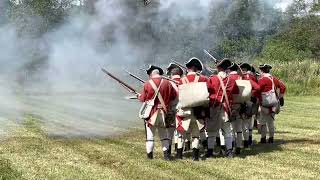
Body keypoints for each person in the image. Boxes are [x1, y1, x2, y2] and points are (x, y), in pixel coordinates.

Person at [139, 65, 178, 160]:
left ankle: (150, 157)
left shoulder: (147, 84)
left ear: (151, 74)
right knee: (164, 135)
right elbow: (173, 96)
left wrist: (138, 96)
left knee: (150, 136)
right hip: (164, 112)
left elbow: (143, 99)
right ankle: (166, 156)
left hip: (152, 113)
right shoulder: (168, 83)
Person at [175, 57, 208, 161]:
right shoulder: (203, 79)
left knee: (181, 135)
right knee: (195, 135)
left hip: (185, 112)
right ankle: (195, 156)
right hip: (198, 111)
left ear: (189, 68)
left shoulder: (181, 81)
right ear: (196, 68)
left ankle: (179, 155)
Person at [207, 59, 235, 158]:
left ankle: (210, 152)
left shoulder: (212, 78)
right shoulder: (231, 80)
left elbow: (208, 91)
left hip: (215, 107)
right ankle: (229, 152)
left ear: (218, 68)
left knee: (211, 131)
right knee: (227, 131)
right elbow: (235, 92)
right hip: (227, 109)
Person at [257, 64, 286, 144]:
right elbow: (283, 87)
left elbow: (257, 90)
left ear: (262, 70)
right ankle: (271, 138)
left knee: (262, 121)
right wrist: (280, 97)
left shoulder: (262, 80)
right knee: (271, 121)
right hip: (274, 103)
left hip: (264, 103)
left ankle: (263, 138)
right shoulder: (274, 79)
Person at [239, 63, 259, 146]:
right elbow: (257, 87)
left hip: (242, 101)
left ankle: (246, 141)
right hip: (249, 101)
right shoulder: (252, 76)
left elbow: (257, 87)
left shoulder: (241, 77)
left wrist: (250, 95)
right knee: (248, 122)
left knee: (243, 123)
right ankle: (249, 139)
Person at [166, 63, 183, 154]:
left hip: (171, 110)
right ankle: (179, 153)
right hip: (183, 109)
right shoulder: (185, 81)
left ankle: (168, 152)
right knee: (180, 132)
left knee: (170, 133)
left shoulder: (168, 83)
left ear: (171, 74)